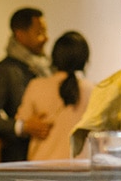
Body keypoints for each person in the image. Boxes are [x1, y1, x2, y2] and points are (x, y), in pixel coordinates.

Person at [0, 7, 53, 162]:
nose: (46, 38)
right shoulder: (5, 70)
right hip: (22, 157)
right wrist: (23, 127)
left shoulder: (50, 67)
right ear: (20, 34)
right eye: (39, 33)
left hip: (50, 152)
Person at [16, 31, 93, 160]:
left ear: (54, 57)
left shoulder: (36, 86)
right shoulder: (93, 91)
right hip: (79, 173)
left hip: (39, 173)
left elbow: (23, 124)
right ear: (85, 59)